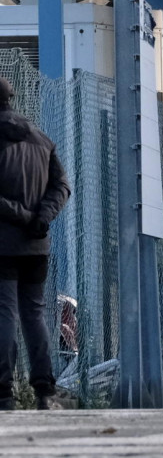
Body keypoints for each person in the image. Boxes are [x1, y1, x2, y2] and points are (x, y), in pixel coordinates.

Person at [0, 77, 71, 411]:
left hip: (3, 242)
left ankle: (4, 394)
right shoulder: (41, 140)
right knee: (35, 314)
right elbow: (61, 186)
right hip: (36, 245)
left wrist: (23, 216)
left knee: (4, 313)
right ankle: (44, 391)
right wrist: (42, 217)